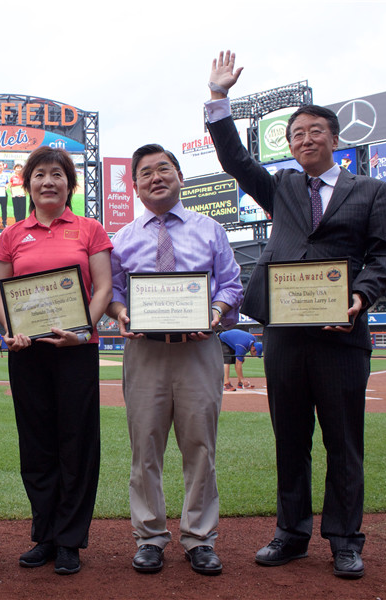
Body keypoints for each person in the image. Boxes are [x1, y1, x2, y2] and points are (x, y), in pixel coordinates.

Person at [206, 51, 386, 579]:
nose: (306, 139)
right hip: (286, 335)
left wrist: (360, 296)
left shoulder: (371, 191)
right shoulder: (283, 188)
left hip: (342, 333)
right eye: (297, 134)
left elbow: (385, 255)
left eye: (316, 131)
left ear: (334, 139)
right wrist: (219, 99)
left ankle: (344, 539)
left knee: (343, 442)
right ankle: (290, 533)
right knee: (289, 439)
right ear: (289, 146)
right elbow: (236, 162)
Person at [105, 144, 243, 577]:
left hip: (198, 347)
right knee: (144, 446)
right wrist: (122, 313)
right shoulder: (123, 238)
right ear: (135, 187)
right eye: (145, 173)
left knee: (200, 445)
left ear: (180, 177)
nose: (155, 177)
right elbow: (112, 293)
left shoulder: (210, 229)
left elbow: (232, 285)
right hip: (145, 350)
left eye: (164, 169)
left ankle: (200, 538)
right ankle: (149, 537)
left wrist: (216, 313)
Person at [0, 146, 113, 575]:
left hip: (76, 349)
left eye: (57, 174)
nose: (48, 181)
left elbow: (102, 288)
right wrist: (11, 331)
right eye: (40, 174)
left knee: (77, 443)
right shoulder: (12, 234)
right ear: (28, 184)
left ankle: (70, 541)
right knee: (37, 443)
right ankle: (45, 534)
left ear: (69, 184)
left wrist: (83, 330)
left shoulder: (89, 229)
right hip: (28, 351)